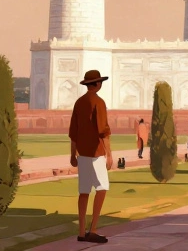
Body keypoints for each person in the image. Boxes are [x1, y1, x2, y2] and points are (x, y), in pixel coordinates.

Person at [69, 69, 113, 244]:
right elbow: (103, 130)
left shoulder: (79, 102)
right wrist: (109, 154)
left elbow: (73, 131)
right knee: (102, 188)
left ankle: (81, 232)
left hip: (82, 153)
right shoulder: (98, 102)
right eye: (99, 82)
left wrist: (73, 154)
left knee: (84, 191)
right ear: (96, 84)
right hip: (96, 153)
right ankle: (93, 229)